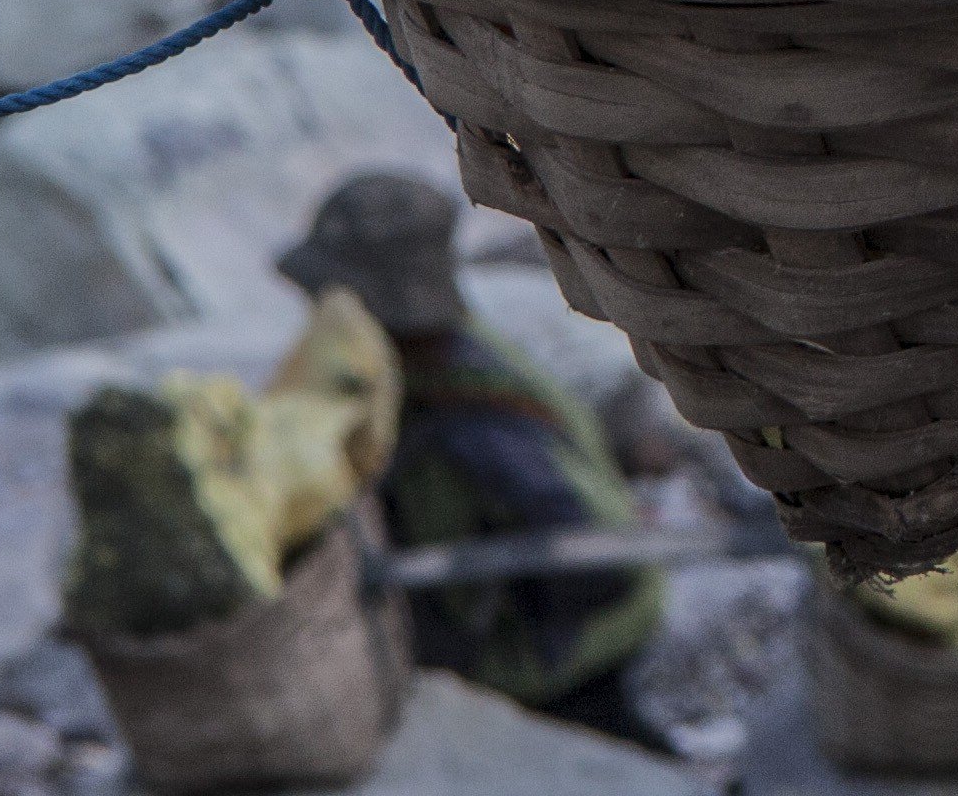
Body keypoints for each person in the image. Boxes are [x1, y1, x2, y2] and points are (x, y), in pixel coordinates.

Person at [275, 175, 668, 742]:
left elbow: (594, 557)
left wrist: (482, 631)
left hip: (565, 653)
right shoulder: (411, 379)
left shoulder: (474, 411)